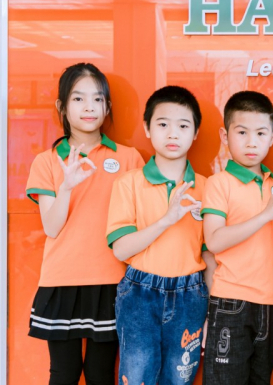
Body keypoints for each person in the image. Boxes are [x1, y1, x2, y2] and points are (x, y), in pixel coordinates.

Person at [26, 63, 144, 385]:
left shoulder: (129, 158)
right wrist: (66, 186)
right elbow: (51, 228)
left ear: (107, 106)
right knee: (63, 374)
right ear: (62, 107)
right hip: (61, 280)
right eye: (78, 99)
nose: (89, 107)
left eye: (97, 99)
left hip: (112, 281)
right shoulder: (47, 161)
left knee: (100, 374)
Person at [106, 86, 214, 385]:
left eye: (183, 126)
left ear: (195, 132)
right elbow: (121, 249)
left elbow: (209, 254)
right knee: (137, 378)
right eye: (163, 124)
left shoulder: (207, 187)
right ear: (147, 128)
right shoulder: (128, 183)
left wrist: (211, 313)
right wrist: (167, 219)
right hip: (140, 294)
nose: (173, 134)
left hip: (191, 294)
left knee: (180, 379)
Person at [201, 91, 273, 384]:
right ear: (224, 135)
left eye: (261, 133)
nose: (252, 142)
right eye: (242, 132)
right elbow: (214, 240)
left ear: (272, 137)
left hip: (272, 303)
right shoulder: (218, 183)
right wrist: (265, 215)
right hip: (231, 302)